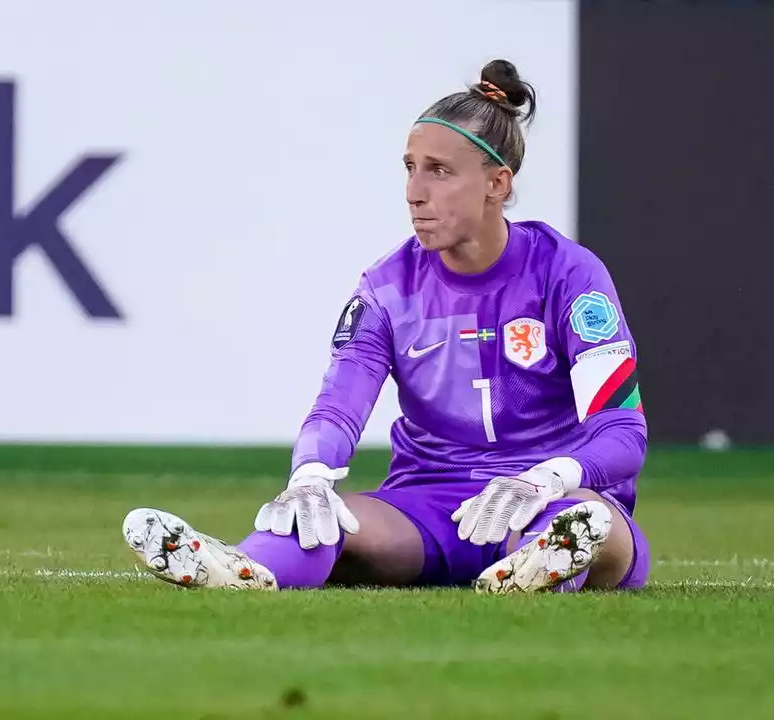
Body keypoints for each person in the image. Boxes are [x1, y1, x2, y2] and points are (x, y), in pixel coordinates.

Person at [121, 59, 650, 594]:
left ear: (497, 182)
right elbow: (338, 405)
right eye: (410, 167)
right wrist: (310, 475)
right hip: (425, 508)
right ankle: (241, 573)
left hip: (543, 496)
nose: (414, 192)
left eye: (439, 171)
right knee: (322, 520)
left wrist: (550, 477)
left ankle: (546, 561)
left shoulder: (569, 274)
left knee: (591, 525)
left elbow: (623, 433)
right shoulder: (387, 286)